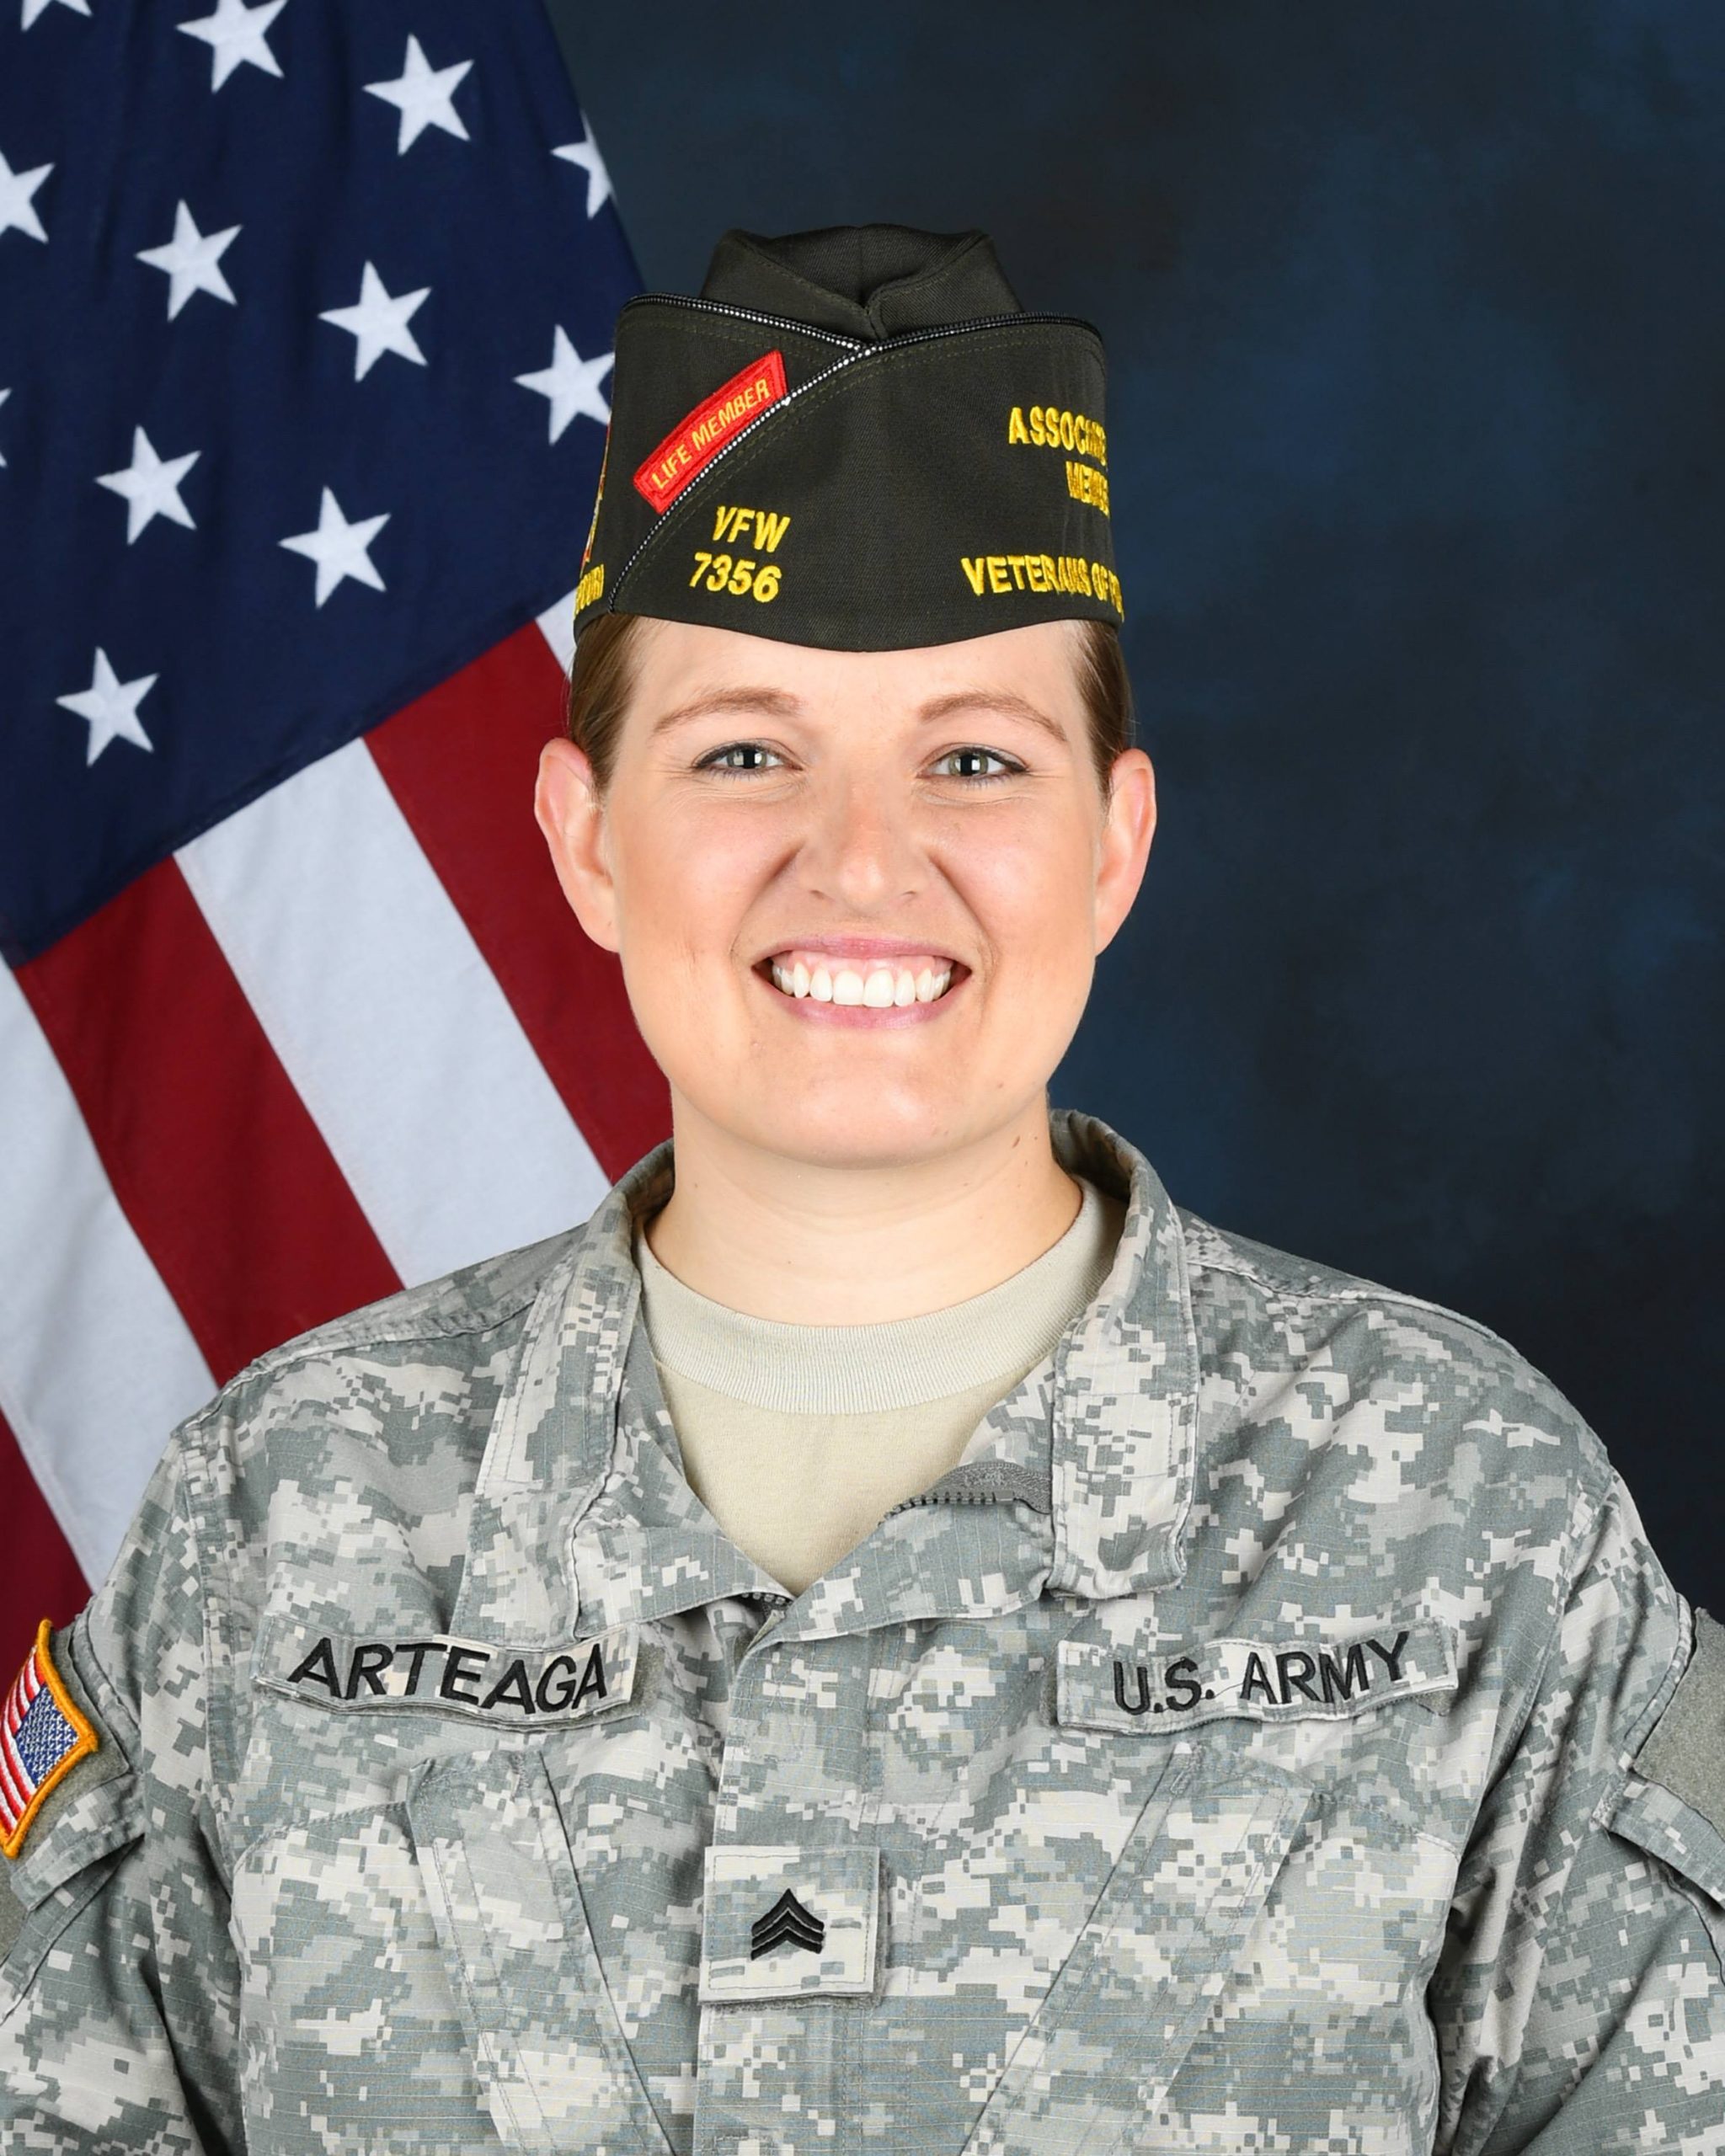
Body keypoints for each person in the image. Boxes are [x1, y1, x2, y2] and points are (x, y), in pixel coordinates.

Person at [2, 223, 1722, 2155]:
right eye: (747, 750)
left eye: (974, 758)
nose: (861, 863)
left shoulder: (1469, 1518)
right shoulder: (272, 1523)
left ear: (1110, 843)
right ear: (586, 839)